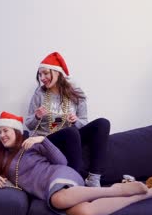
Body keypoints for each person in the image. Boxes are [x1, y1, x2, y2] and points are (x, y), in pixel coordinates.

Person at [0, 111, 152, 215]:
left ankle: (115, 190)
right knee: (85, 213)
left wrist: (43, 140)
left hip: (58, 175)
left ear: (16, 131)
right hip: (44, 190)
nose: (1, 135)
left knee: (58, 200)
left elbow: (61, 161)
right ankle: (144, 195)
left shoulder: (31, 144)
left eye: (5, 130)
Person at [25, 52, 110, 187]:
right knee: (71, 131)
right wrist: (37, 116)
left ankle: (93, 178)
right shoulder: (39, 94)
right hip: (49, 141)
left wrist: (76, 120)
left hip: (72, 139)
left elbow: (83, 122)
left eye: (46, 73)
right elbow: (28, 125)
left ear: (57, 73)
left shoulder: (75, 93)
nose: (42, 78)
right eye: (40, 75)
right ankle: (73, 181)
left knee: (102, 123)